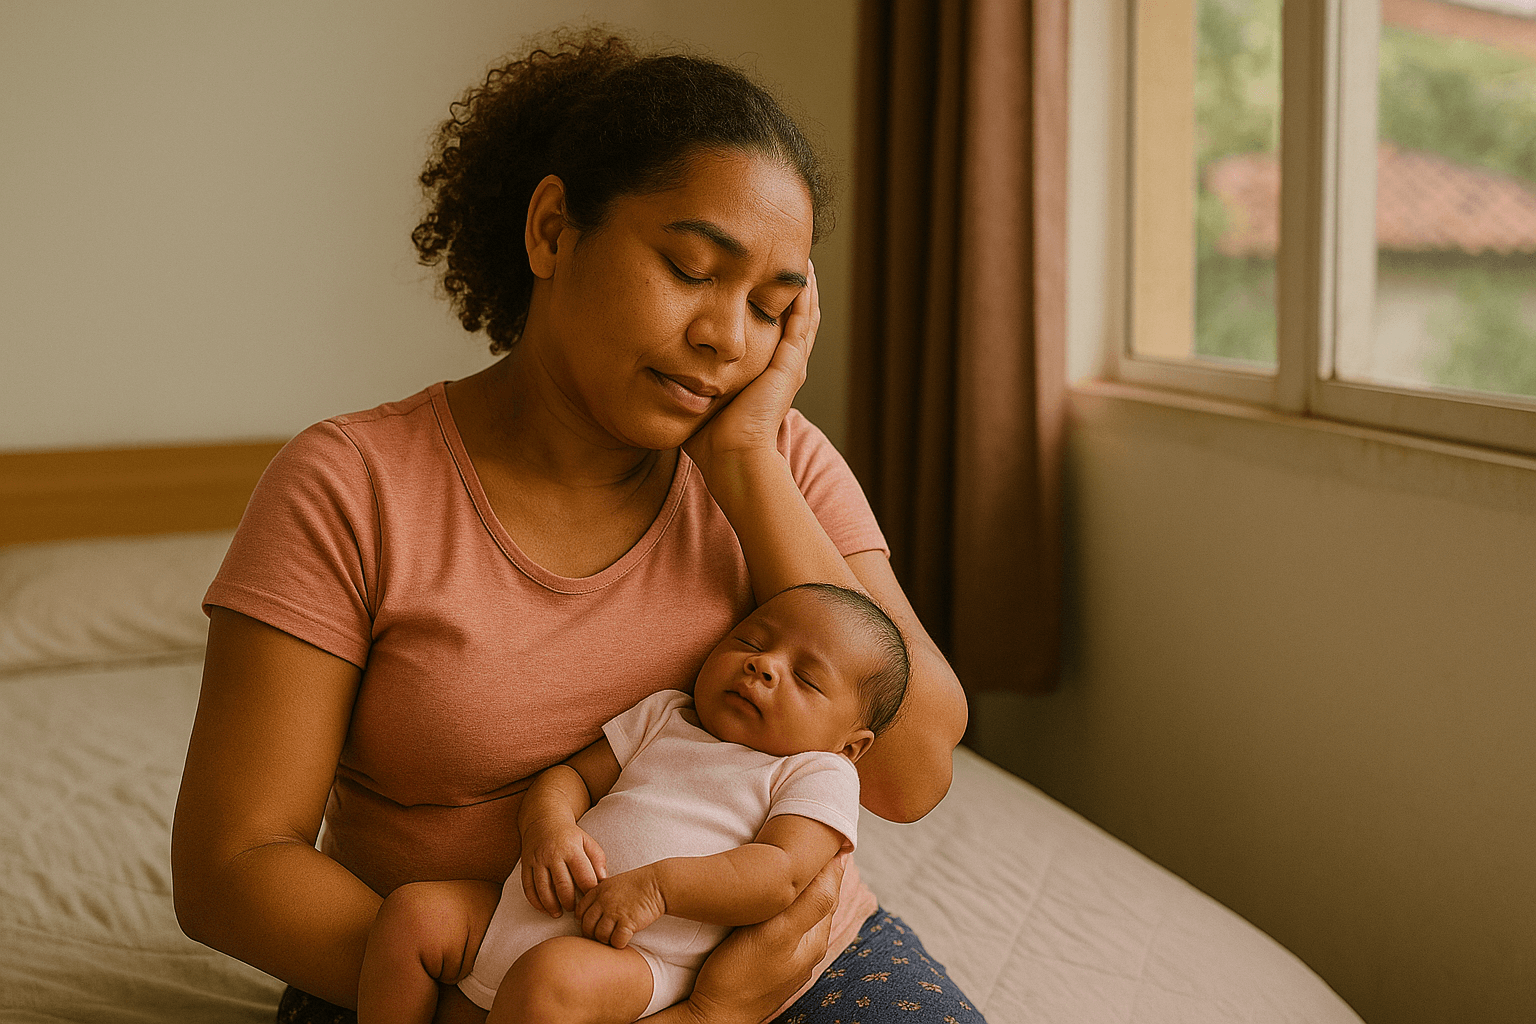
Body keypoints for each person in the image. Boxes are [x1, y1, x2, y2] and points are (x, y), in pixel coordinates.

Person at [172, 29, 980, 1024]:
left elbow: (909, 769)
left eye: (772, 307)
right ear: (553, 229)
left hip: (772, 967)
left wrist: (742, 466)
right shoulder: (353, 486)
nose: (728, 338)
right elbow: (232, 865)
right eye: (691, 268)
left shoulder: (776, 457)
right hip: (455, 972)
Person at [358, 583, 908, 1024]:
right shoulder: (668, 714)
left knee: (551, 978)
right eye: (750, 641)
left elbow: (780, 874)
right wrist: (549, 827)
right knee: (414, 913)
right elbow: (572, 776)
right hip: (527, 908)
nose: (763, 666)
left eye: (806, 678)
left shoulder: (818, 770)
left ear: (850, 744)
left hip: (641, 956)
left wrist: (659, 887)